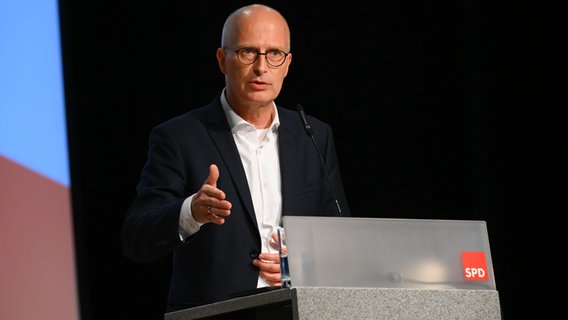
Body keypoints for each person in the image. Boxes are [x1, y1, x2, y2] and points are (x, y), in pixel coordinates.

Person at [121, 3, 350, 313]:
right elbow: (136, 237)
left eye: (274, 54)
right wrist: (192, 212)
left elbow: (341, 238)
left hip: (298, 309)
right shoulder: (179, 137)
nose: (261, 67)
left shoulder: (314, 135)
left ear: (287, 64)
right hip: (216, 312)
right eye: (247, 53)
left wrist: (300, 263)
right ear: (222, 60)